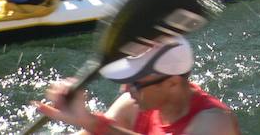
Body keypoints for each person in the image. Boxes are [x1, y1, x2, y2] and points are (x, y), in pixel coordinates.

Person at [36, 36, 240, 135]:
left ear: (172, 83)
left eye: (136, 82)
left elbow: (100, 128)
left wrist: (93, 123)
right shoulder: (132, 105)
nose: (125, 89)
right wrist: (81, 119)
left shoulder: (214, 123)